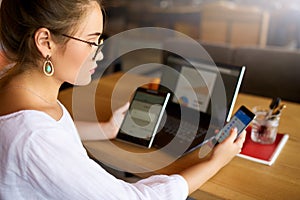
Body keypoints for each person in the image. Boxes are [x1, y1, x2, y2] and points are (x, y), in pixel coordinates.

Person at [0, 0, 246, 199]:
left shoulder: (15, 87)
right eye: (91, 41)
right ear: (45, 42)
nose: (100, 51)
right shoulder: (34, 138)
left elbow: (52, 132)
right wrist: (216, 162)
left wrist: (107, 128)